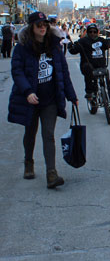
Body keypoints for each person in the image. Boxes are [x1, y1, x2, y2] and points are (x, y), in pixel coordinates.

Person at [8, 12, 78, 189]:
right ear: (32, 27)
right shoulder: (22, 47)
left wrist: (72, 95)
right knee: (30, 133)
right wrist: (28, 92)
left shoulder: (54, 46)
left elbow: (63, 73)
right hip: (30, 99)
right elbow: (17, 71)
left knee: (48, 135)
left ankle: (51, 173)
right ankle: (28, 161)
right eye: (39, 24)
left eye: (45, 24)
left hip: (50, 100)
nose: (42, 27)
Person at [68, 23, 110, 108]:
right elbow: (74, 50)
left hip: (101, 66)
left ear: (97, 32)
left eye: (94, 32)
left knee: (108, 80)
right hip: (88, 67)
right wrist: (70, 46)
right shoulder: (83, 41)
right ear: (87, 32)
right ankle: (90, 93)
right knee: (88, 71)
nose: (92, 33)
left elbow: (109, 42)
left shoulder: (101, 40)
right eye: (90, 32)